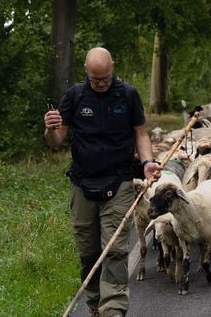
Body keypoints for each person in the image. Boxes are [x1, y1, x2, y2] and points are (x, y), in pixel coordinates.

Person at [44, 47, 162, 317]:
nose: (101, 84)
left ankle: (114, 309)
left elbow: (141, 133)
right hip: (82, 182)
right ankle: (96, 304)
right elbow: (56, 141)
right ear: (86, 70)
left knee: (115, 248)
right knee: (89, 252)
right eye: (96, 79)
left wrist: (146, 162)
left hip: (119, 180)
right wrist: (51, 128)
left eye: (106, 78)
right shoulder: (74, 96)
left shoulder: (128, 95)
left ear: (113, 68)